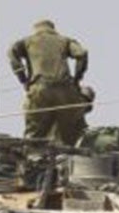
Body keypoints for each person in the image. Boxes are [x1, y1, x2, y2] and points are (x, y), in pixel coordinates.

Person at [8, 19, 93, 147]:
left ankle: (32, 157)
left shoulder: (28, 41)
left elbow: (11, 52)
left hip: (39, 89)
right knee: (70, 134)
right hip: (65, 90)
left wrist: (23, 79)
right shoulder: (64, 40)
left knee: (34, 133)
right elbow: (82, 53)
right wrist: (77, 79)